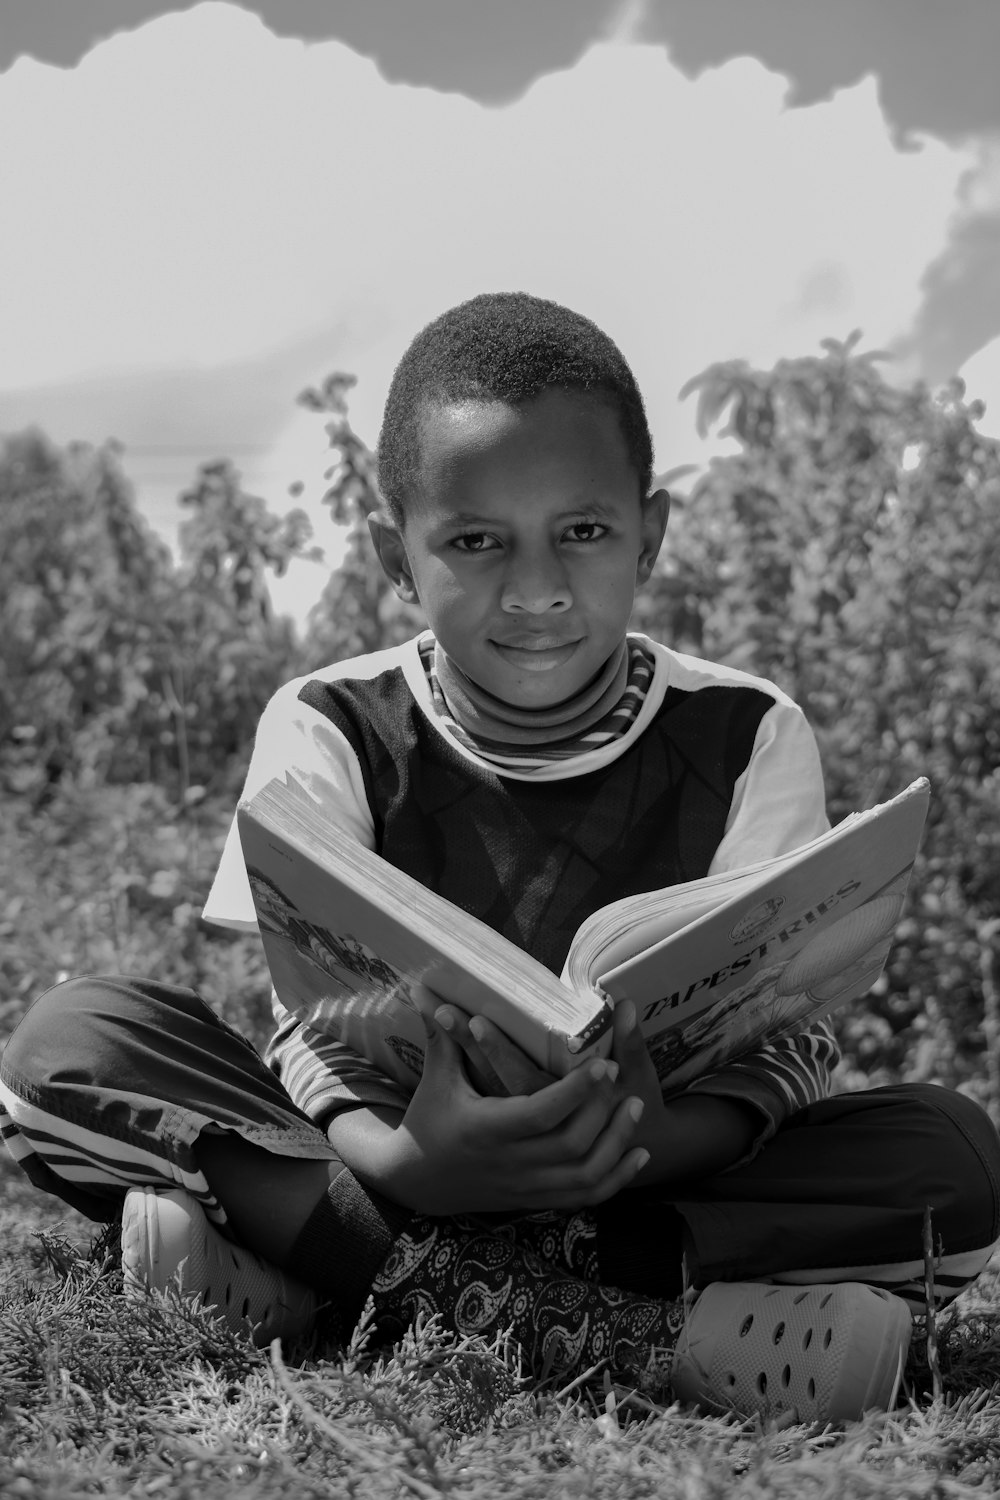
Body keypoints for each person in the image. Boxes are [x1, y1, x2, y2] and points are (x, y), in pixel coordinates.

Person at [2, 292, 998, 1425]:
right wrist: (402, 1156)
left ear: (650, 531)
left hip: (647, 1175)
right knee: (71, 1041)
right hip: (388, 1151)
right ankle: (622, 1330)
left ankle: (310, 1271)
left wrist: (659, 1139)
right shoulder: (326, 722)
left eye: (583, 531)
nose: (535, 591)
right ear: (395, 553)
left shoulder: (748, 732)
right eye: (474, 542)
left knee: (952, 1157)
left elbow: (782, 1026)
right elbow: (306, 1010)